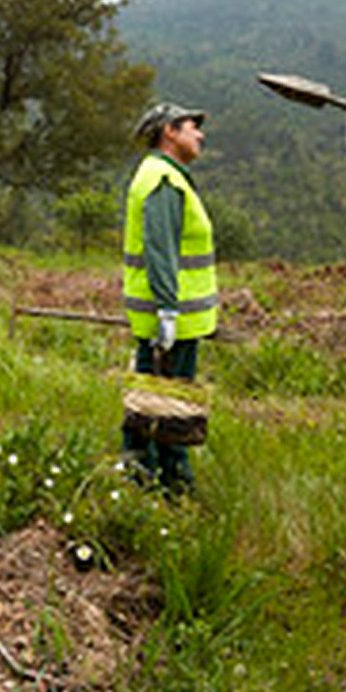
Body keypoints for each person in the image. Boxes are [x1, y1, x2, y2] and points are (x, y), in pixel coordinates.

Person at [121, 101, 219, 495]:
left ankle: (141, 482)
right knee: (168, 411)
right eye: (192, 127)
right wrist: (167, 311)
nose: (201, 134)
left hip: (175, 319)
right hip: (172, 322)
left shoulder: (164, 176)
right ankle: (172, 489)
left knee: (151, 402)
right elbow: (160, 250)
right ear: (169, 132)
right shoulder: (162, 180)